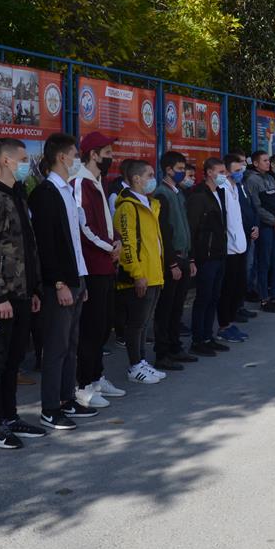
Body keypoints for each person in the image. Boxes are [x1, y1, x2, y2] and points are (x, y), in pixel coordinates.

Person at [0, 138, 47, 449]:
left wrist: (34, 289)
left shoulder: (17, 197)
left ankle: (11, 416)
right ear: (4, 160)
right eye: (23, 158)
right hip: (0, 298)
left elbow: (28, 248)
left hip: (22, 293)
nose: (27, 164)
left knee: (14, 359)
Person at [28, 133, 95, 429]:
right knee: (55, 347)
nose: (78, 160)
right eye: (75, 155)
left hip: (75, 278)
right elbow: (46, 244)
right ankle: (50, 407)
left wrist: (82, 279)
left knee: (71, 343)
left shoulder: (68, 191)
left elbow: (74, 243)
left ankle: (67, 399)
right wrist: (58, 283)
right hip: (60, 284)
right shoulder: (45, 194)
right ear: (62, 157)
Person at [73, 131, 124, 408]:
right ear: (93, 155)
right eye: (106, 153)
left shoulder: (99, 182)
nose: (110, 158)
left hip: (105, 263)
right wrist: (108, 245)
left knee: (104, 326)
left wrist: (115, 239)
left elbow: (105, 220)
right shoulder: (81, 182)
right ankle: (84, 385)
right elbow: (84, 226)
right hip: (92, 265)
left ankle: (97, 376)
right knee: (91, 328)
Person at [113, 160, 167, 385]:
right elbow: (126, 242)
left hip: (154, 273)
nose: (153, 178)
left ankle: (142, 362)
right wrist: (137, 273)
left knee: (144, 323)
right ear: (136, 178)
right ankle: (135, 365)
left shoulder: (150, 204)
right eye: (150, 174)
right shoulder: (128, 206)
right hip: (140, 275)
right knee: (135, 324)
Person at [152, 150, 198, 370]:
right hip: (171, 260)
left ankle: (175, 347)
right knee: (166, 308)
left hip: (183, 256)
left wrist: (189, 259)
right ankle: (162, 353)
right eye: (179, 169)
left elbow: (184, 228)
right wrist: (171, 262)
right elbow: (163, 232)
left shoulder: (178, 193)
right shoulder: (161, 193)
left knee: (177, 307)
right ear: (168, 170)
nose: (182, 173)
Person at [186, 158, 231, 356]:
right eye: (221, 171)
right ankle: (198, 340)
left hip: (219, 253)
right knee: (203, 298)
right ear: (210, 172)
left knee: (214, 296)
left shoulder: (219, 192)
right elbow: (192, 229)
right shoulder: (199, 195)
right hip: (206, 255)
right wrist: (192, 257)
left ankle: (208, 336)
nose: (225, 174)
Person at [217, 153, 257, 343]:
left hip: (241, 244)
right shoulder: (222, 189)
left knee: (237, 286)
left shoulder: (237, 187)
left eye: (241, 170)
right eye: (236, 170)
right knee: (227, 288)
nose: (240, 172)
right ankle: (223, 326)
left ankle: (230, 322)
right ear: (226, 171)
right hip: (228, 248)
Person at [244, 151, 275, 313]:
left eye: (268, 160)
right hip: (264, 227)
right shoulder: (251, 180)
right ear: (255, 163)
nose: (268, 163)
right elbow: (256, 206)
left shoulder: (270, 179)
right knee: (264, 263)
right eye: (264, 160)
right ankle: (264, 299)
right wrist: (274, 221)